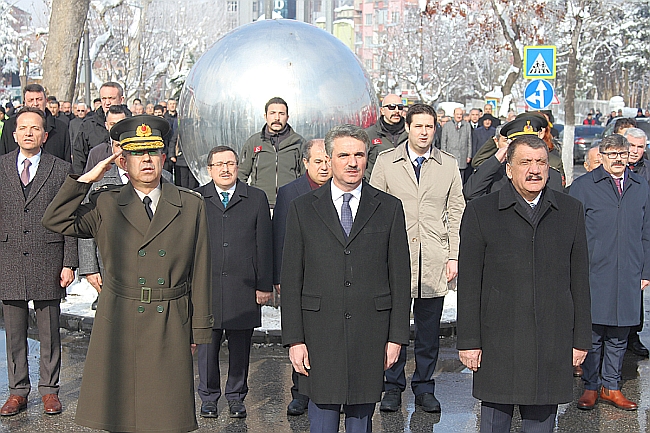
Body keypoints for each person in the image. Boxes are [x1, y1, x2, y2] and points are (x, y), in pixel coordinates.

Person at [42, 114, 213, 432]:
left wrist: (199, 331)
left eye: (152, 152)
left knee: (165, 417)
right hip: (120, 318)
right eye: (136, 152)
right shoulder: (106, 203)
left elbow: (201, 271)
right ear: (123, 160)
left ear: (164, 157)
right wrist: (87, 180)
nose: (146, 159)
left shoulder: (190, 205)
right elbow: (55, 220)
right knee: (122, 416)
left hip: (170, 318)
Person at [457, 134, 592, 433]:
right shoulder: (482, 211)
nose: (534, 170)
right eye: (525, 162)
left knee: (542, 424)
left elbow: (580, 281)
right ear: (508, 168)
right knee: (494, 423)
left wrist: (581, 339)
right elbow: (469, 283)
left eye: (541, 162)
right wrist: (469, 341)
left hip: (552, 339)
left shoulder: (570, 211)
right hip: (498, 341)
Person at [281, 124, 411, 433]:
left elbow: (400, 278)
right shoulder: (302, 209)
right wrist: (295, 339)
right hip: (319, 334)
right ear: (328, 159)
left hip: (370, 333)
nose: (352, 163)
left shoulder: (389, 208)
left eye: (359, 155)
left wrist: (396, 338)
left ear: (367, 159)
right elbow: (291, 278)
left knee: (360, 422)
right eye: (343, 155)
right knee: (322, 421)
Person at [370, 104, 465, 414]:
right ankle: (392, 386)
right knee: (392, 328)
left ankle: (424, 386)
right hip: (395, 259)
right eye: (418, 126)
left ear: (435, 129)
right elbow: (372, 210)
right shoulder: (386, 162)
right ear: (408, 128)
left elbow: (455, 211)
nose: (424, 132)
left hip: (433, 259)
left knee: (428, 332)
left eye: (429, 126)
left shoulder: (447, 165)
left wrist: (453, 254)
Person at [0, 107, 77, 416]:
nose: (29, 133)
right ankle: (17, 391)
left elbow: (70, 217)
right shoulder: (2, 167)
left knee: (49, 329)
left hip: (49, 256)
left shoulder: (60, 170)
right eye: (23, 128)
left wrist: (69, 261)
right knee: (14, 332)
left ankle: (49, 390)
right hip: (9, 257)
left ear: (45, 135)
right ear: (15, 134)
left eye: (36, 128)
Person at [570, 134, 650, 411]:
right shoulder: (583, 187)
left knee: (619, 332)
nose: (618, 159)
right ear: (601, 156)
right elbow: (572, 233)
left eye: (622, 153)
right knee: (593, 331)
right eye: (612, 153)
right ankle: (591, 385)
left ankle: (611, 386)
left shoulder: (641, 186)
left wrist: (645, 270)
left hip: (629, 269)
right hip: (594, 270)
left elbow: (647, 231)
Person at [195, 146, 273, 419]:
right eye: (219, 164)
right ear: (209, 169)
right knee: (207, 346)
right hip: (207, 286)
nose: (225, 169)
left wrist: (264, 284)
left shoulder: (255, 198)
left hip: (244, 285)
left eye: (230, 163)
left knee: (240, 347)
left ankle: (237, 396)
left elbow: (264, 243)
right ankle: (208, 397)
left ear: (238, 166)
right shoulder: (197, 198)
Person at [272, 138, 331, 416]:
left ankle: (331, 391)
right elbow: (280, 236)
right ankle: (300, 392)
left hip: (332, 278)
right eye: (317, 161)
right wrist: (279, 277)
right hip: (300, 277)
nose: (324, 166)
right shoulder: (289, 192)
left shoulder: (343, 189)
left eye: (327, 160)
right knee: (300, 335)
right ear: (305, 163)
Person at [464, 116, 563, 200]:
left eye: (532, 144)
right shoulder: (498, 174)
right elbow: (470, 193)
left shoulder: (551, 176)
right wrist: (496, 159)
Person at [238, 97, 305, 207]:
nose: (277, 118)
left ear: (287, 117)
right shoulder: (254, 142)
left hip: (290, 204)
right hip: (260, 204)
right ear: (265, 116)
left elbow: (305, 175)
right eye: (272, 113)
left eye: (281, 114)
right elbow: (241, 174)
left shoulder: (299, 143)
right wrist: (245, 200)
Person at [623, 127, 650, 358]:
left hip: (642, 231)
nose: (635, 151)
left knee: (638, 285)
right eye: (631, 146)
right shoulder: (618, 167)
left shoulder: (647, 171)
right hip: (623, 231)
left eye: (640, 147)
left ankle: (634, 334)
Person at [0, 84, 71, 163]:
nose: (35, 104)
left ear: (46, 101)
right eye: (31, 100)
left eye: (39, 99)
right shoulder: (10, 125)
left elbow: (67, 161)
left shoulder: (61, 127)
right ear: (24, 102)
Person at [72, 82, 131, 174]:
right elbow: (79, 159)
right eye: (104, 98)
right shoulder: (88, 125)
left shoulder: (133, 124)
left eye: (111, 98)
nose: (107, 103)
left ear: (121, 99)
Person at [365, 94, 408, 180]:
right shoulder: (369, 134)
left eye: (400, 107)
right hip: (378, 187)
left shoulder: (410, 133)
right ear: (382, 110)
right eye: (391, 107)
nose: (396, 111)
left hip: (404, 187)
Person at [440, 107, 472, 182]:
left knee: (461, 178)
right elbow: (443, 142)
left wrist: (469, 156)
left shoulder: (467, 125)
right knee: (450, 177)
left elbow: (469, 141)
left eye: (460, 114)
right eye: (457, 114)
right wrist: (444, 155)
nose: (459, 116)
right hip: (450, 155)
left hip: (462, 156)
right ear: (453, 115)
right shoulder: (447, 126)